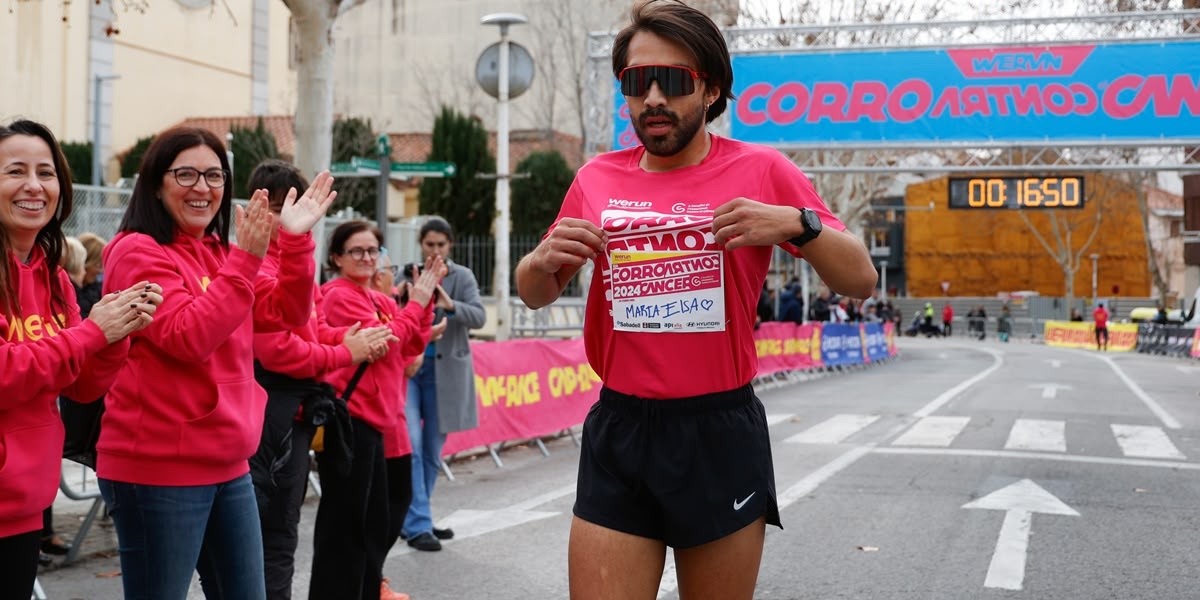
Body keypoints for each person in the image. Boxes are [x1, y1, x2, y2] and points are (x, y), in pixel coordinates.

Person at [513, 2, 877, 597]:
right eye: (637, 82)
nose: (653, 98)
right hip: (621, 429)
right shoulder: (596, 178)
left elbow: (861, 279)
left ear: (710, 90)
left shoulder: (762, 170)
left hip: (718, 431)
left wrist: (796, 223)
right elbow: (535, 293)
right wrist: (539, 260)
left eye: (674, 80)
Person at [97, 126, 335, 600]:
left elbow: (287, 314)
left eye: (214, 176)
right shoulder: (135, 250)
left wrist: (294, 242)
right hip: (159, 465)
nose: (202, 188)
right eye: (186, 174)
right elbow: (188, 337)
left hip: (229, 461)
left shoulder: (220, 253)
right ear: (155, 184)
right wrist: (246, 260)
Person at [0, 119, 161, 600]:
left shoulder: (54, 276)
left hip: (25, 501)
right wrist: (91, 333)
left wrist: (115, 333)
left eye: (46, 173)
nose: (34, 185)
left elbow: (83, 386)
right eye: (16, 171)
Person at [245, 160, 394, 600]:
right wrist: (346, 351)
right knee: (265, 535)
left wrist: (341, 339)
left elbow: (308, 328)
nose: (286, 216)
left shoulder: (295, 262)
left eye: (294, 204)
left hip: (304, 414)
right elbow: (278, 349)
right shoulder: (257, 264)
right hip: (271, 416)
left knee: (288, 534)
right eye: (276, 207)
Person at [311, 220, 444, 600]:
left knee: (376, 521)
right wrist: (415, 305)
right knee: (347, 526)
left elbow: (409, 345)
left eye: (373, 250)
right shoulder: (338, 295)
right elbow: (385, 342)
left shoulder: (380, 299)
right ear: (337, 257)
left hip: (378, 421)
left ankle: (368, 590)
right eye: (357, 250)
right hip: (352, 419)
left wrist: (424, 301)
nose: (367, 257)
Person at [401, 216, 487, 552]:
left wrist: (448, 305)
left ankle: (414, 517)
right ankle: (418, 523)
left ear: (450, 245)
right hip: (409, 368)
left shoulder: (462, 276)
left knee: (431, 452)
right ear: (420, 244)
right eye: (429, 244)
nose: (434, 250)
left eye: (440, 244)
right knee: (411, 443)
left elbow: (479, 316)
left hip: (446, 372)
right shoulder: (407, 273)